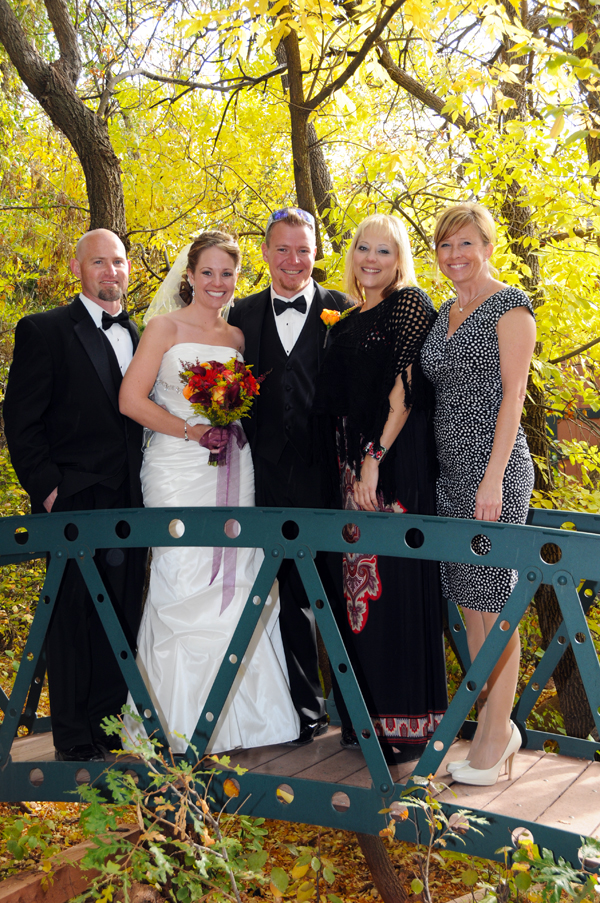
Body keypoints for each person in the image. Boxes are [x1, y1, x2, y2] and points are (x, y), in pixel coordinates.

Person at [119, 230, 300, 754]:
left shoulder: (240, 339)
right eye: (208, 273)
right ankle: (174, 723)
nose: (218, 283)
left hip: (232, 466)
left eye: (228, 274)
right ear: (189, 276)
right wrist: (192, 430)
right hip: (177, 465)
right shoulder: (163, 328)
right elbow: (131, 399)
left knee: (240, 576)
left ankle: (248, 722)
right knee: (181, 575)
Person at [3, 229, 147, 762]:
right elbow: (21, 419)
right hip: (74, 499)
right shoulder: (44, 331)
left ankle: (109, 726)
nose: (111, 272)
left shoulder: (142, 332)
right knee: (73, 615)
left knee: (123, 612)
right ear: (77, 268)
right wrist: (46, 489)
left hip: (133, 501)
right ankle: (72, 734)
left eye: (118, 262)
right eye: (99, 263)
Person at [313, 213, 448, 763]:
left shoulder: (409, 303)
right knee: (355, 597)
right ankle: (363, 721)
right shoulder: (343, 319)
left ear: (399, 260)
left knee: (392, 589)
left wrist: (372, 462)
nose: (371, 259)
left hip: (391, 467)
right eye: (363, 249)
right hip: (349, 475)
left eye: (384, 251)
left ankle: (406, 726)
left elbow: (404, 390)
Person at [420, 202, 536, 786]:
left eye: (466, 244)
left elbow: (513, 397)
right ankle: (497, 723)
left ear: (487, 246)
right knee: (471, 609)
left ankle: (496, 733)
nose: (455, 255)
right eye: (445, 246)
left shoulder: (510, 307)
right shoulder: (444, 312)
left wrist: (492, 479)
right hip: (451, 474)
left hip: (495, 472)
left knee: (496, 603)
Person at [228, 207, 352, 745]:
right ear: (264, 253)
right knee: (285, 596)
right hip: (263, 477)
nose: (293, 260)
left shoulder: (343, 311)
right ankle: (305, 711)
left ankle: (356, 715)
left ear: (316, 253)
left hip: (332, 479)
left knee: (342, 595)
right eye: (282, 249)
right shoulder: (239, 315)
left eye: (303, 249)